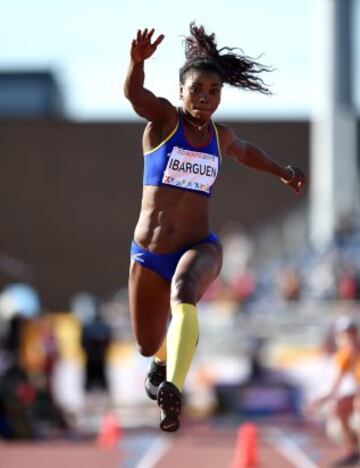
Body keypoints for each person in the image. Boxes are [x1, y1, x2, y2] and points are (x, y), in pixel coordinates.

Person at [124, 23, 306, 432]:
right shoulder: (164, 122)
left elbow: (247, 152)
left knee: (184, 293)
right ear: (181, 92)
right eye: (197, 90)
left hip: (199, 246)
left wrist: (282, 172)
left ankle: (174, 387)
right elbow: (135, 95)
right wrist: (136, 64)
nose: (205, 98)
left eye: (214, 92)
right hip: (149, 254)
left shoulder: (220, 138)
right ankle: (161, 362)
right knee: (146, 343)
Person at [309, 316, 360, 467]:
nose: (349, 337)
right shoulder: (344, 356)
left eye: (352, 333)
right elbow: (335, 386)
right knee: (339, 406)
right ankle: (353, 449)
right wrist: (319, 399)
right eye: (345, 334)